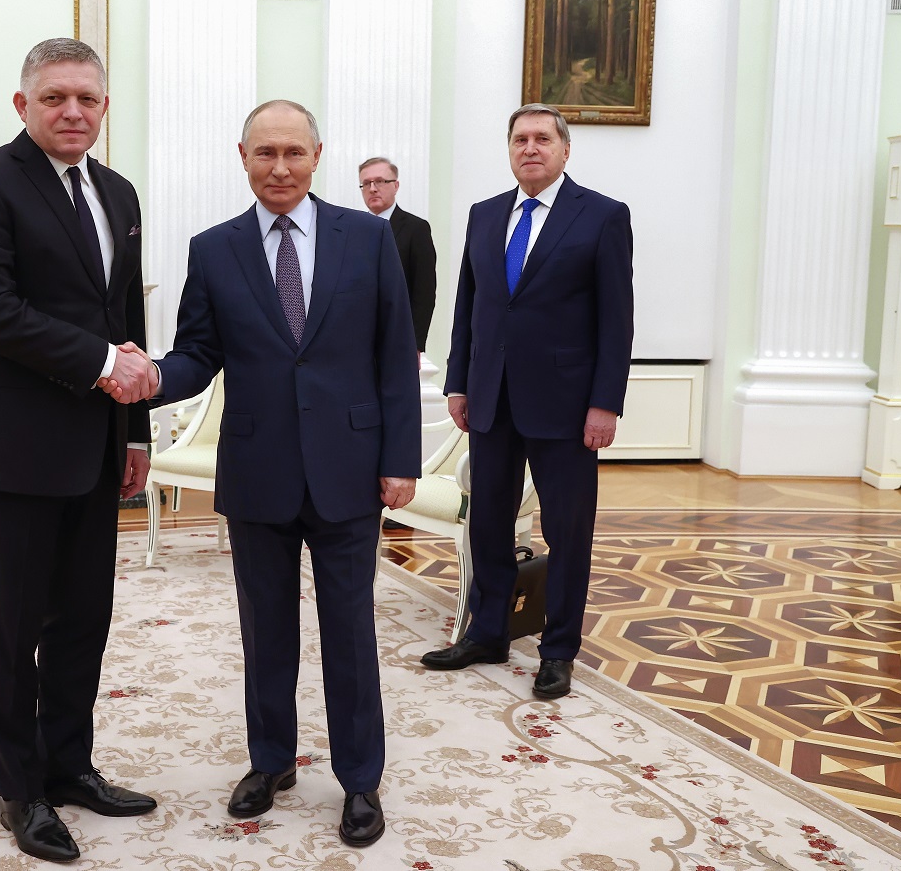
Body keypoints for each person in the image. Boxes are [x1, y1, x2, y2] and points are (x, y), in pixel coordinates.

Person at [106, 100, 421, 848]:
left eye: (294, 153)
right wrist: (150, 374)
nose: (279, 167)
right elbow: (197, 352)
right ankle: (271, 761)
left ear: (318, 155)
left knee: (350, 632)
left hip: (350, 470)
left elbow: (393, 355)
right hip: (258, 471)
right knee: (266, 631)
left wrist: (400, 461)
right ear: (241, 156)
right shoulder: (213, 250)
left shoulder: (370, 240)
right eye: (264, 153)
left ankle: (359, 781)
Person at [0, 37, 160, 864]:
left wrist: (133, 430)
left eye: (88, 100)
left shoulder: (118, 191)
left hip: (97, 447)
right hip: (19, 449)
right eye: (55, 98)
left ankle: (70, 766)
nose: (73, 112)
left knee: (83, 623)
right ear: (22, 104)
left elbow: (121, 319)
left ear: (105, 107)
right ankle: (21, 790)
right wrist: (106, 366)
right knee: (14, 627)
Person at [420, 103, 633, 700]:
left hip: (567, 406)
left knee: (567, 530)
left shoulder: (601, 216)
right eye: (520, 139)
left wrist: (605, 403)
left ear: (565, 150)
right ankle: (486, 632)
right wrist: (458, 381)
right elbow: (470, 306)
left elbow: (617, 321)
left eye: (543, 139)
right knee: (487, 522)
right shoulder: (485, 216)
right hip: (491, 398)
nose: (530, 148)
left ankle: (558, 650)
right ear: (509, 150)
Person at [357, 157, 438, 353]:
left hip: (399, 337)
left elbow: (424, 291)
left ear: (396, 185)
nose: (373, 188)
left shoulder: (416, 228)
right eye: (366, 183)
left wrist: (416, 344)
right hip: (357, 338)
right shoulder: (354, 229)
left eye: (380, 181)